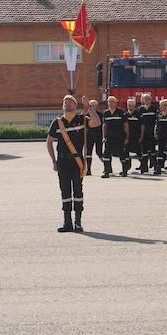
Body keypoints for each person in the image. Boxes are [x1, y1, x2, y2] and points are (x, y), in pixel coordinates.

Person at [46, 95, 100, 233]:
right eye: (65, 102)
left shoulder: (81, 119)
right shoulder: (57, 122)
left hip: (77, 161)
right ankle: (67, 223)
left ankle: (78, 222)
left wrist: (88, 106)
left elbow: (97, 122)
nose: (67, 104)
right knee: (65, 191)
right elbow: (49, 142)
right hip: (63, 161)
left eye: (70, 102)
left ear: (75, 105)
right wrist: (53, 161)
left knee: (77, 191)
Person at [101, 96, 128, 177]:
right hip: (109, 137)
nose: (110, 103)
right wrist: (103, 137)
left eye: (112, 102)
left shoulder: (121, 112)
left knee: (121, 154)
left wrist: (127, 137)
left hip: (119, 137)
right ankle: (106, 172)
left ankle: (124, 171)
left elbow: (126, 125)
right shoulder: (106, 113)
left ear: (116, 103)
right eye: (109, 102)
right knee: (106, 154)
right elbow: (104, 126)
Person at [137, 94, 158, 174]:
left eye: (147, 99)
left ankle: (155, 167)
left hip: (151, 133)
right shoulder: (140, 109)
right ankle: (144, 167)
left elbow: (157, 121)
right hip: (143, 133)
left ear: (150, 99)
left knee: (152, 150)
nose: (146, 100)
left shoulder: (154, 109)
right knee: (144, 151)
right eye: (144, 99)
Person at [84, 99, 103, 176]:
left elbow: (103, 126)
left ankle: (107, 167)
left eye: (94, 106)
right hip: (89, 136)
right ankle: (88, 170)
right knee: (88, 153)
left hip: (98, 135)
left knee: (99, 152)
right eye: (91, 106)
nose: (93, 107)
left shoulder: (100, 115)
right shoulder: (86, 115)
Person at [123, 98, 141, 175]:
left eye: (132, 105)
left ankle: (143, 166)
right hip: (127, 137)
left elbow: (142, 126)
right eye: (129, 105)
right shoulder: (125, 115)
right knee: (126, 152)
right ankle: (126, 168)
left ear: (134, 106)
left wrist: (141, 136)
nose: (130, 107)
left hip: (136, 136)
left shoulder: (138, 114)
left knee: (139, 152)